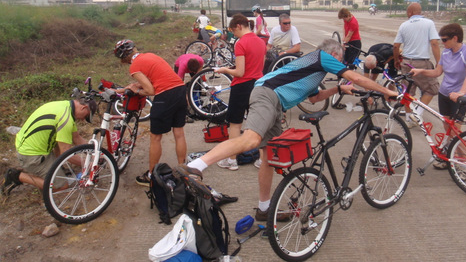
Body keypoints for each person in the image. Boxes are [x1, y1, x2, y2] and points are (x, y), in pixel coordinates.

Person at [173, 38, 398, 221]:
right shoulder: (322, 58)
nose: (339, 63)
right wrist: (386, 91)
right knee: (250, 139)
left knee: (268, 156)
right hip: (268, 95)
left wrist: (337, 89)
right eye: (339, 58)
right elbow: (357, 77)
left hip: (274, 102)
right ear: (334, 55)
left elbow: (314, 98)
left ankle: (264, 208)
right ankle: (194, 166)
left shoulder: (314, 70)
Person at [114, 39, 188, 186]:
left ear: (124, 59)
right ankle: (183, 170)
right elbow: (158, 77)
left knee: (155, 137)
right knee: (178, 133)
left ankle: (151, 176)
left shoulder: (134, 66)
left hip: (165, 96)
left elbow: (150, 91)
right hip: (180, 90)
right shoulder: (150, 56)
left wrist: (137, 90)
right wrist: (124, 89)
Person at [409, 23, 466, 169]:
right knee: (448, 128)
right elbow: (437, 72)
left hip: (458, 97)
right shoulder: (446, 53)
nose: (442, 43)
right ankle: (451, 158)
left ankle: (465, 162)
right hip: (445, 94)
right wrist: (420, 71)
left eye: (445, 40)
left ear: (455, 38)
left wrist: (461, 93)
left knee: (456, 131)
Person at [1, 98, 97, 195]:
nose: (83, 119)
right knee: (61, 187)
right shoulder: (65, 119)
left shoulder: (64, 106)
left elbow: (76, 138)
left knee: (60, 140)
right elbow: (66, 154)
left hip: (28, 145)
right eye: (86, 116)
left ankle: (57, 168)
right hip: (31, 156)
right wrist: (88, 165)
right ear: (83, 108)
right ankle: (16, 176)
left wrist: (96, 155)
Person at [214, 14, 266, 171]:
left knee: (235, 124)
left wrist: (223, 70)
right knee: (258, 124)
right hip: (258, 85)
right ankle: (262, 160)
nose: (232, 34)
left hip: (241, 87)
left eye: (232, 30)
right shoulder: (261, 42)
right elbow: (260, 67)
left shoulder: (240, 43)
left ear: (239, 26)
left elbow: (240, 72)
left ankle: (232, 160)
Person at [393, 2, 440, 127]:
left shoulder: (404, 25)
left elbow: (396, 46)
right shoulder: (429, 23)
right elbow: (434, 43)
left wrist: (396, 60)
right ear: (420, 11)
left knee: (408, 92)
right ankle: (417, 114)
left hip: (407, 62)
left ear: (410, 13)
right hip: (422, 62)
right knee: (431, 89)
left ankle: (410, 119)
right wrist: (439, 62)